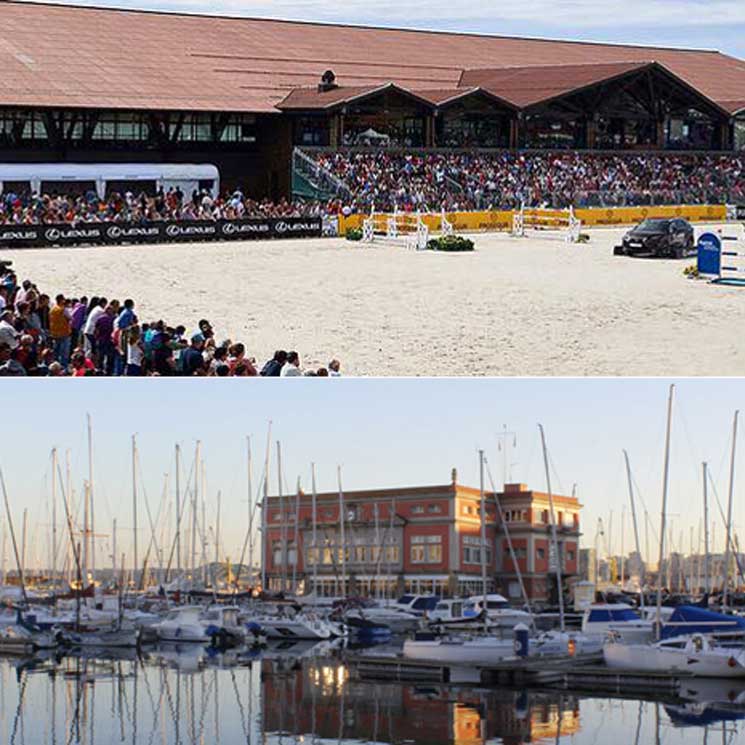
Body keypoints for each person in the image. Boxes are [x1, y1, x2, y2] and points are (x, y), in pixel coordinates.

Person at [49, 293, 72, 368]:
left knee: (56, 351)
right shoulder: (63, 309)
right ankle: (63, 367)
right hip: (64, 333)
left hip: (55, 333)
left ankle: (55, 366)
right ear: (62, 300)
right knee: (64, 353)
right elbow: (70, 318)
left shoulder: (52, 309)